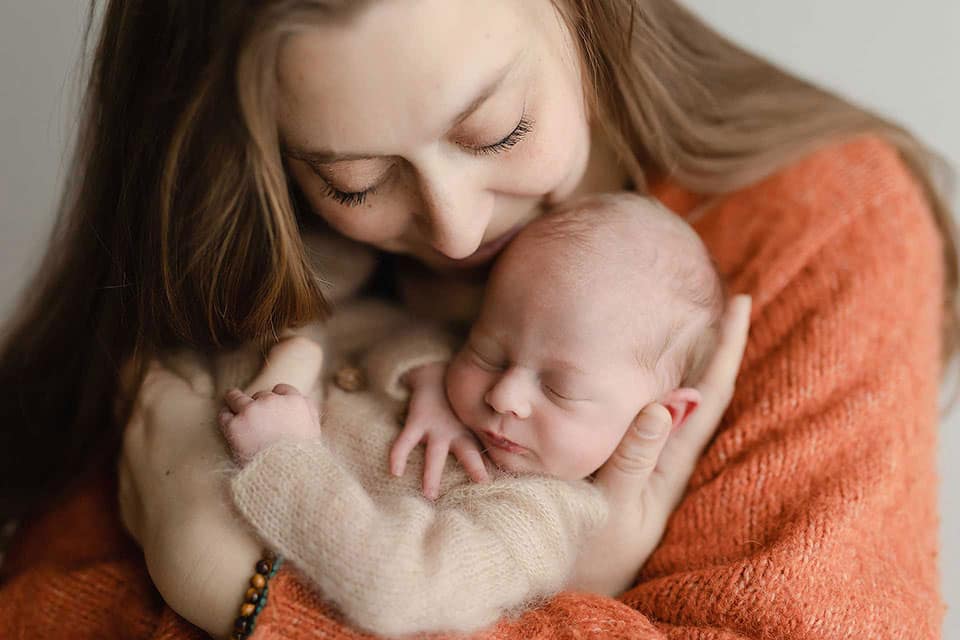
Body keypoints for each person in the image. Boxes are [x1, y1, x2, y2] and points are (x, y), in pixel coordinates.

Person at [0, 1, 951, 639]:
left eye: (497, 129)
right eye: (355, 179)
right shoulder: (261, 263)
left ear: (582, 15)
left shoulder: (820, 224)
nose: (456, 229)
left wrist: (234, 585)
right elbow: (41, 613)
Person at [199, 193, 724, 636]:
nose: (505, 396)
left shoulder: (530, 521)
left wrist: (285, 460)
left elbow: (397, 587)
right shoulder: (460, 380)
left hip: (223, 434)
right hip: (261, 343)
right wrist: (425, 372)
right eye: (489, 350)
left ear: (663, 416)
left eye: (560, 389)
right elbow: (406, 330)